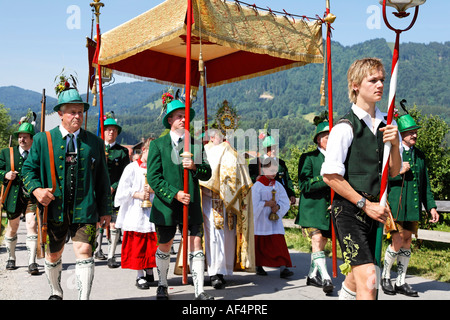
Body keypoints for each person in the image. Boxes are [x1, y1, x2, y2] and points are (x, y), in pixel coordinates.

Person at [320, 57, 403, 300]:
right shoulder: (344, 127)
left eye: (382, 80)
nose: (380, 85)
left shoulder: (388, 124)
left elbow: (395, 171)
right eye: (373, 80)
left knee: (358, 279)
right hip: (350, 210)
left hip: (378, 209)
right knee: (370, 278)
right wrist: (365, 205)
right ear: (355, 85)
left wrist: (395, 144)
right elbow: (330, 177)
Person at [22, 84, 112, 300]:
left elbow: (102, 179)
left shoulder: (95, 143)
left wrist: (106, 209)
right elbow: (27, 169)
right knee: (54, 254)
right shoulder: (43, 140)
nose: (77, 116)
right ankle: (56, 291)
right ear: (60, 113)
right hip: (54, 211)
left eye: (80, 111)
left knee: (84, 250)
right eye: (72, 111)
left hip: (86, 210)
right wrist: (36, 189)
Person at [146, 96, 213, 300]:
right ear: (169, 120)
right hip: (166, 205)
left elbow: (207, 172)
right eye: (178, 116)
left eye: (185, 117)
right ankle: (162, 284)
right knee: (165, 245)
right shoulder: (158, 145)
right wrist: (174, 193)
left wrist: (195, 166)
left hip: (191, 204)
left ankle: (199, 290)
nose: (183, 120)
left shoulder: (195, 144)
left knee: (195, 243)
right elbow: (153, 177)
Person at [381, 113, 439, 297]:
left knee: (407, 242)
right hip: (396, 206)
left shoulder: (420, 156)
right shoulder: (392, 152)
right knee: (397, 241)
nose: (414, 135)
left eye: (415, 132)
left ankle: (401, 281)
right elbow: (382, 180)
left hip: (412, 207)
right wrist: (398, 172)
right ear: (402, 135)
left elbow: (425, 185)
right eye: (410, 132)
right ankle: (385, 277)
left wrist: (431, 207)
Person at [200, 128, 254, 289]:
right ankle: (214, 272)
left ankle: (223, 271)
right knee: (214, 237)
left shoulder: (231, 151)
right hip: (211, 200)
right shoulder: (206, 152)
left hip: (228, 203)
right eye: (219, 136)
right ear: (212, 137)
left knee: (227, 236)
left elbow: (241, 174)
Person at [295, 119, 334, 294]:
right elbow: (304, 185)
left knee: (321, 242)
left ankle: (312, 275)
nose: (330, 140)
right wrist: (324, 179)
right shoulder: (308, 158)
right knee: (317, 240)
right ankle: (326, 277)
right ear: (318, 139)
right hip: (311, 209)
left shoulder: (338, 158)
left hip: (328, 209)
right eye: (326, 137)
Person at [114, 137, 158, 289]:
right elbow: (123, 190)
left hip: (152, 210)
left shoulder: (156, 168)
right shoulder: (132, 168)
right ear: (144, 150)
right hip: (136, 211)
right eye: (151, 152)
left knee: (152, 243)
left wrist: (153, 190)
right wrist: (137, 194)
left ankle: (150, 269)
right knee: (139, 244)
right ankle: (139, 275)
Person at [1, 117, 39, 275]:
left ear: (31, 138)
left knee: (31, 224)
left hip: (31, 195)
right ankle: (11, 258)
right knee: (13, 227)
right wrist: (5, 174)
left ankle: (32, 262)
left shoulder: (38, 154)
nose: (22, 139)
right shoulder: (6, 153)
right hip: (13, 196)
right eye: (20, 136)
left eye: (25, 136)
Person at [94, 114, 130, 268]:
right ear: (103, 131)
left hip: (115, 193)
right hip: (98, 193)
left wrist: (114, 186)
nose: (111, 132)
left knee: (114, 224)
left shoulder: (122, 152)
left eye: (114, 130)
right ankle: (96, 248)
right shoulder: (97, 149)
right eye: (108, 129)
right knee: (97, 222)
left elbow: (125, 175)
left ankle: (111, 255)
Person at [252, 157, 293, 278]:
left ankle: (283, 267)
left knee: (278, 243)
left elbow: (284, 201)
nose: (274, 172)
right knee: (261, 244)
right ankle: (258, 265)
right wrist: (265, 204)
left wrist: (278, 207)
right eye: (271, 169)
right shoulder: (257, 186)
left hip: (274, 221)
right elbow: (253, 204)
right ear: (264, 170)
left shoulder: (278, 185)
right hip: (261, 220)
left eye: (275, 170)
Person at [249, 135, 296, 205]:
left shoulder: (281, 164)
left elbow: (287, 180)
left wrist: (291, 194)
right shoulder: (255, 163)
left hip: (278, 200)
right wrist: (255, 179)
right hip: (261, 201)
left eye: (274, 148)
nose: (273, 150)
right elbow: (248, 179)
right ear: (265, 150)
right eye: (270, 148)